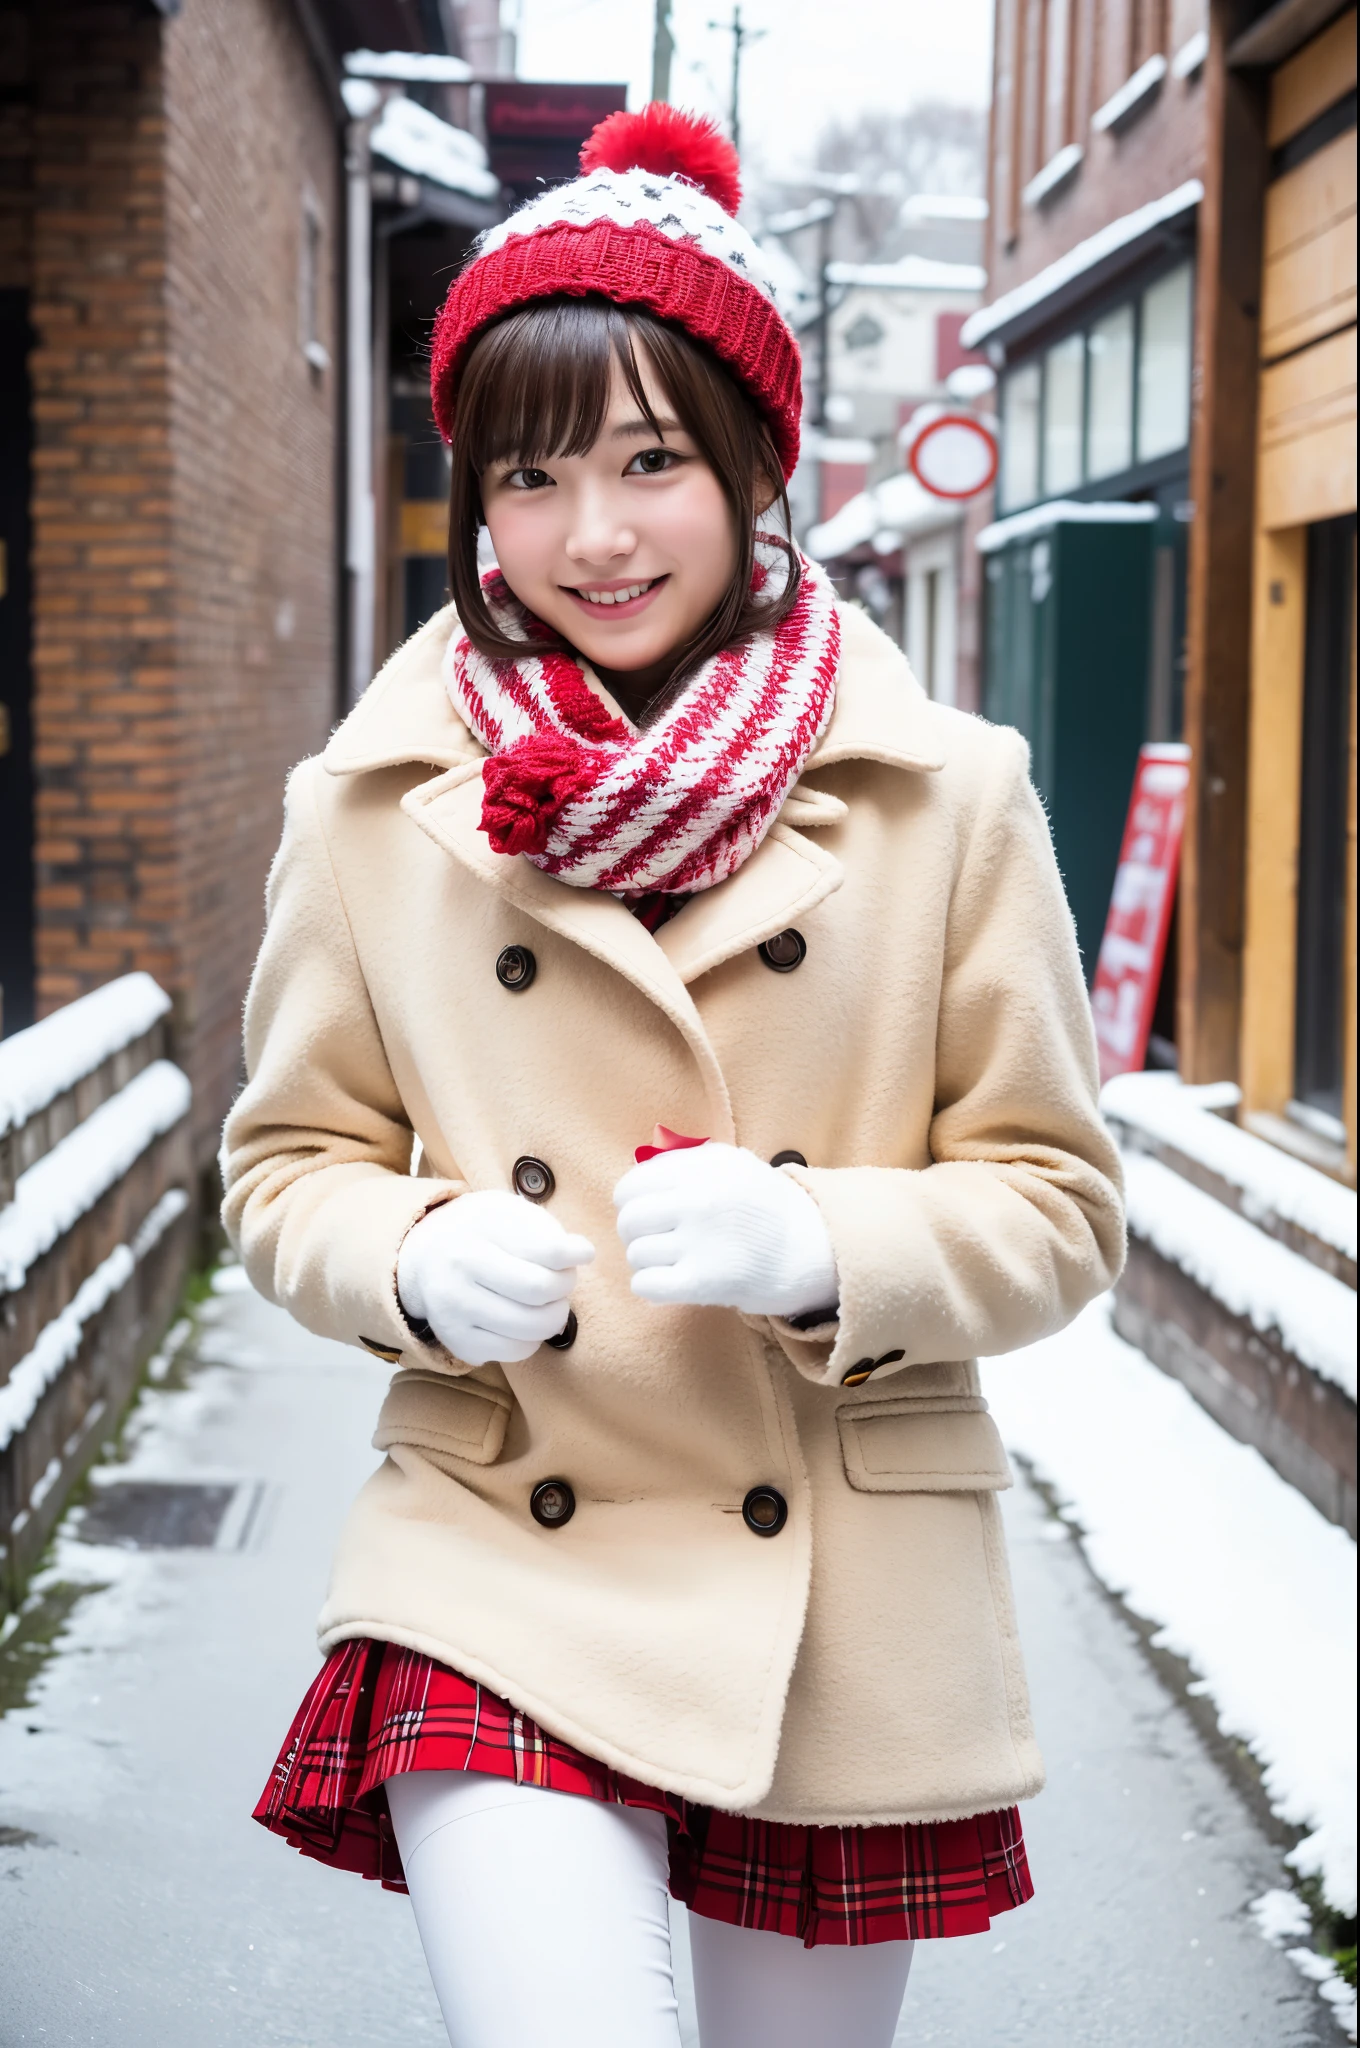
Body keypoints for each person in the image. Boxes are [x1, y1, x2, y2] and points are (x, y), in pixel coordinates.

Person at [223, 104, 1124, 2048]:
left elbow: (1055, 1211)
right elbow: (287, 1161)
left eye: (651, 462)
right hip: (495, 1555)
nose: (593, 535)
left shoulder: (944, 796)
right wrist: (403, 1254)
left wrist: (821, 1238)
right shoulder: (374, 798)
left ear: (751, 465)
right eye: (529, 476)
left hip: (831, 1581)